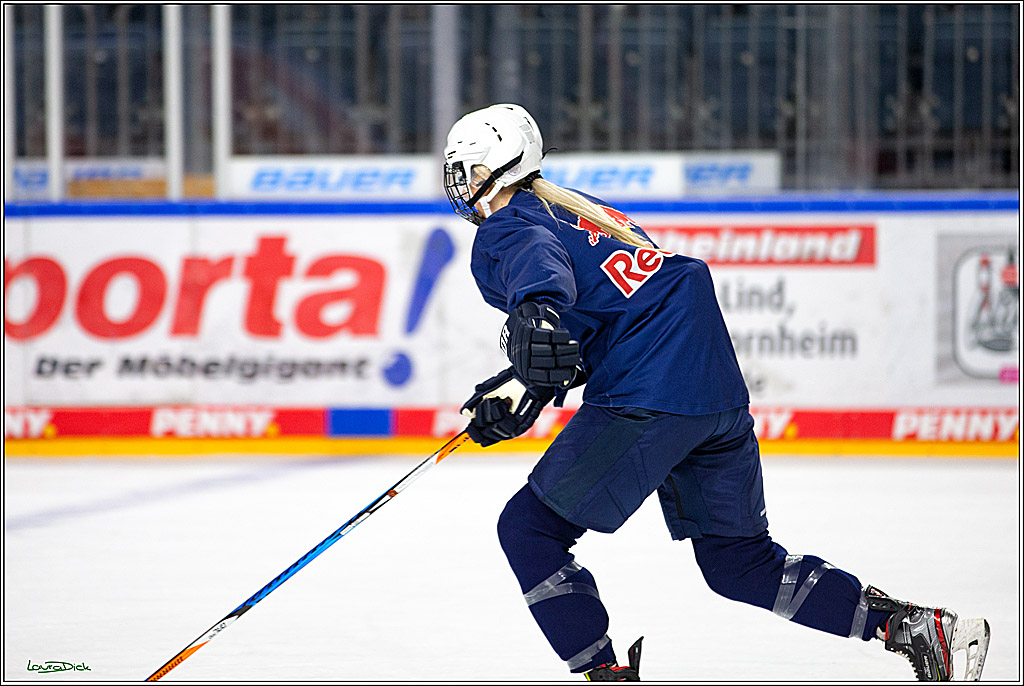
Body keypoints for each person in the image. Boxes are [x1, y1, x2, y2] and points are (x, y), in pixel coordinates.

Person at [445, 104, 991, 682]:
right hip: (713, 396)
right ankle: (912, 628)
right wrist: (524, 391)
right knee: (739, 563)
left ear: (497, 168)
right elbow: (591, 329)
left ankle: (604, 676)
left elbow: (541, 282)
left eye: (468, 170)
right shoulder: (583, 211)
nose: (461, 183)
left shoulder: (511, 224)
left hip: (648, 396)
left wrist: (534, 317)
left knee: (528, 530)